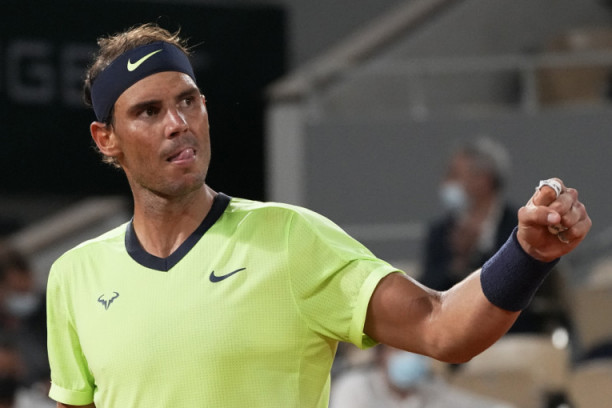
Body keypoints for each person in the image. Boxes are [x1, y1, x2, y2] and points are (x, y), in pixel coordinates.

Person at [45, 23, 591, 408]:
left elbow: (442, 326)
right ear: (106, 138)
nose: (178, 123)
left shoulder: (291, 238)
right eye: (149, 111)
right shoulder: (74, 275)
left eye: (188, 101)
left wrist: (527, 254)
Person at [421, 139, 570, 334]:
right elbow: (426, 293)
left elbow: (525, 287)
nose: (446, 183)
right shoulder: (441, 233)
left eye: (454, 174)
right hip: (454, 334)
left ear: (484, 180)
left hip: (515, 333)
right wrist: (459, 261)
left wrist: (478, 254)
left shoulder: (523, 227)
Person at [330, 344, 515, 408]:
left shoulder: (430, 389)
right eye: (399, 350)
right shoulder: (354, 388)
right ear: (381, 355)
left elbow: (471, 404)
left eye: (416, 350)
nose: (409, 356)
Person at [0, 243, 48, 389]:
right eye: (15, 289)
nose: (24, 292)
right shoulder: (6, 329)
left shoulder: (54, 305)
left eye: (23, 287)